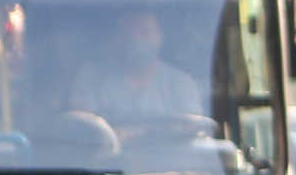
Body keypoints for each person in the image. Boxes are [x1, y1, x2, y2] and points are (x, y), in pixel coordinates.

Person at [73, 8, 202, 127]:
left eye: (145, 32)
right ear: (116, 38)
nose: (136, 40)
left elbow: (192, 130)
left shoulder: (180, 83)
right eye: (128, 33)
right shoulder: (91, 79)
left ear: (161, 37)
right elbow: (84, 129)